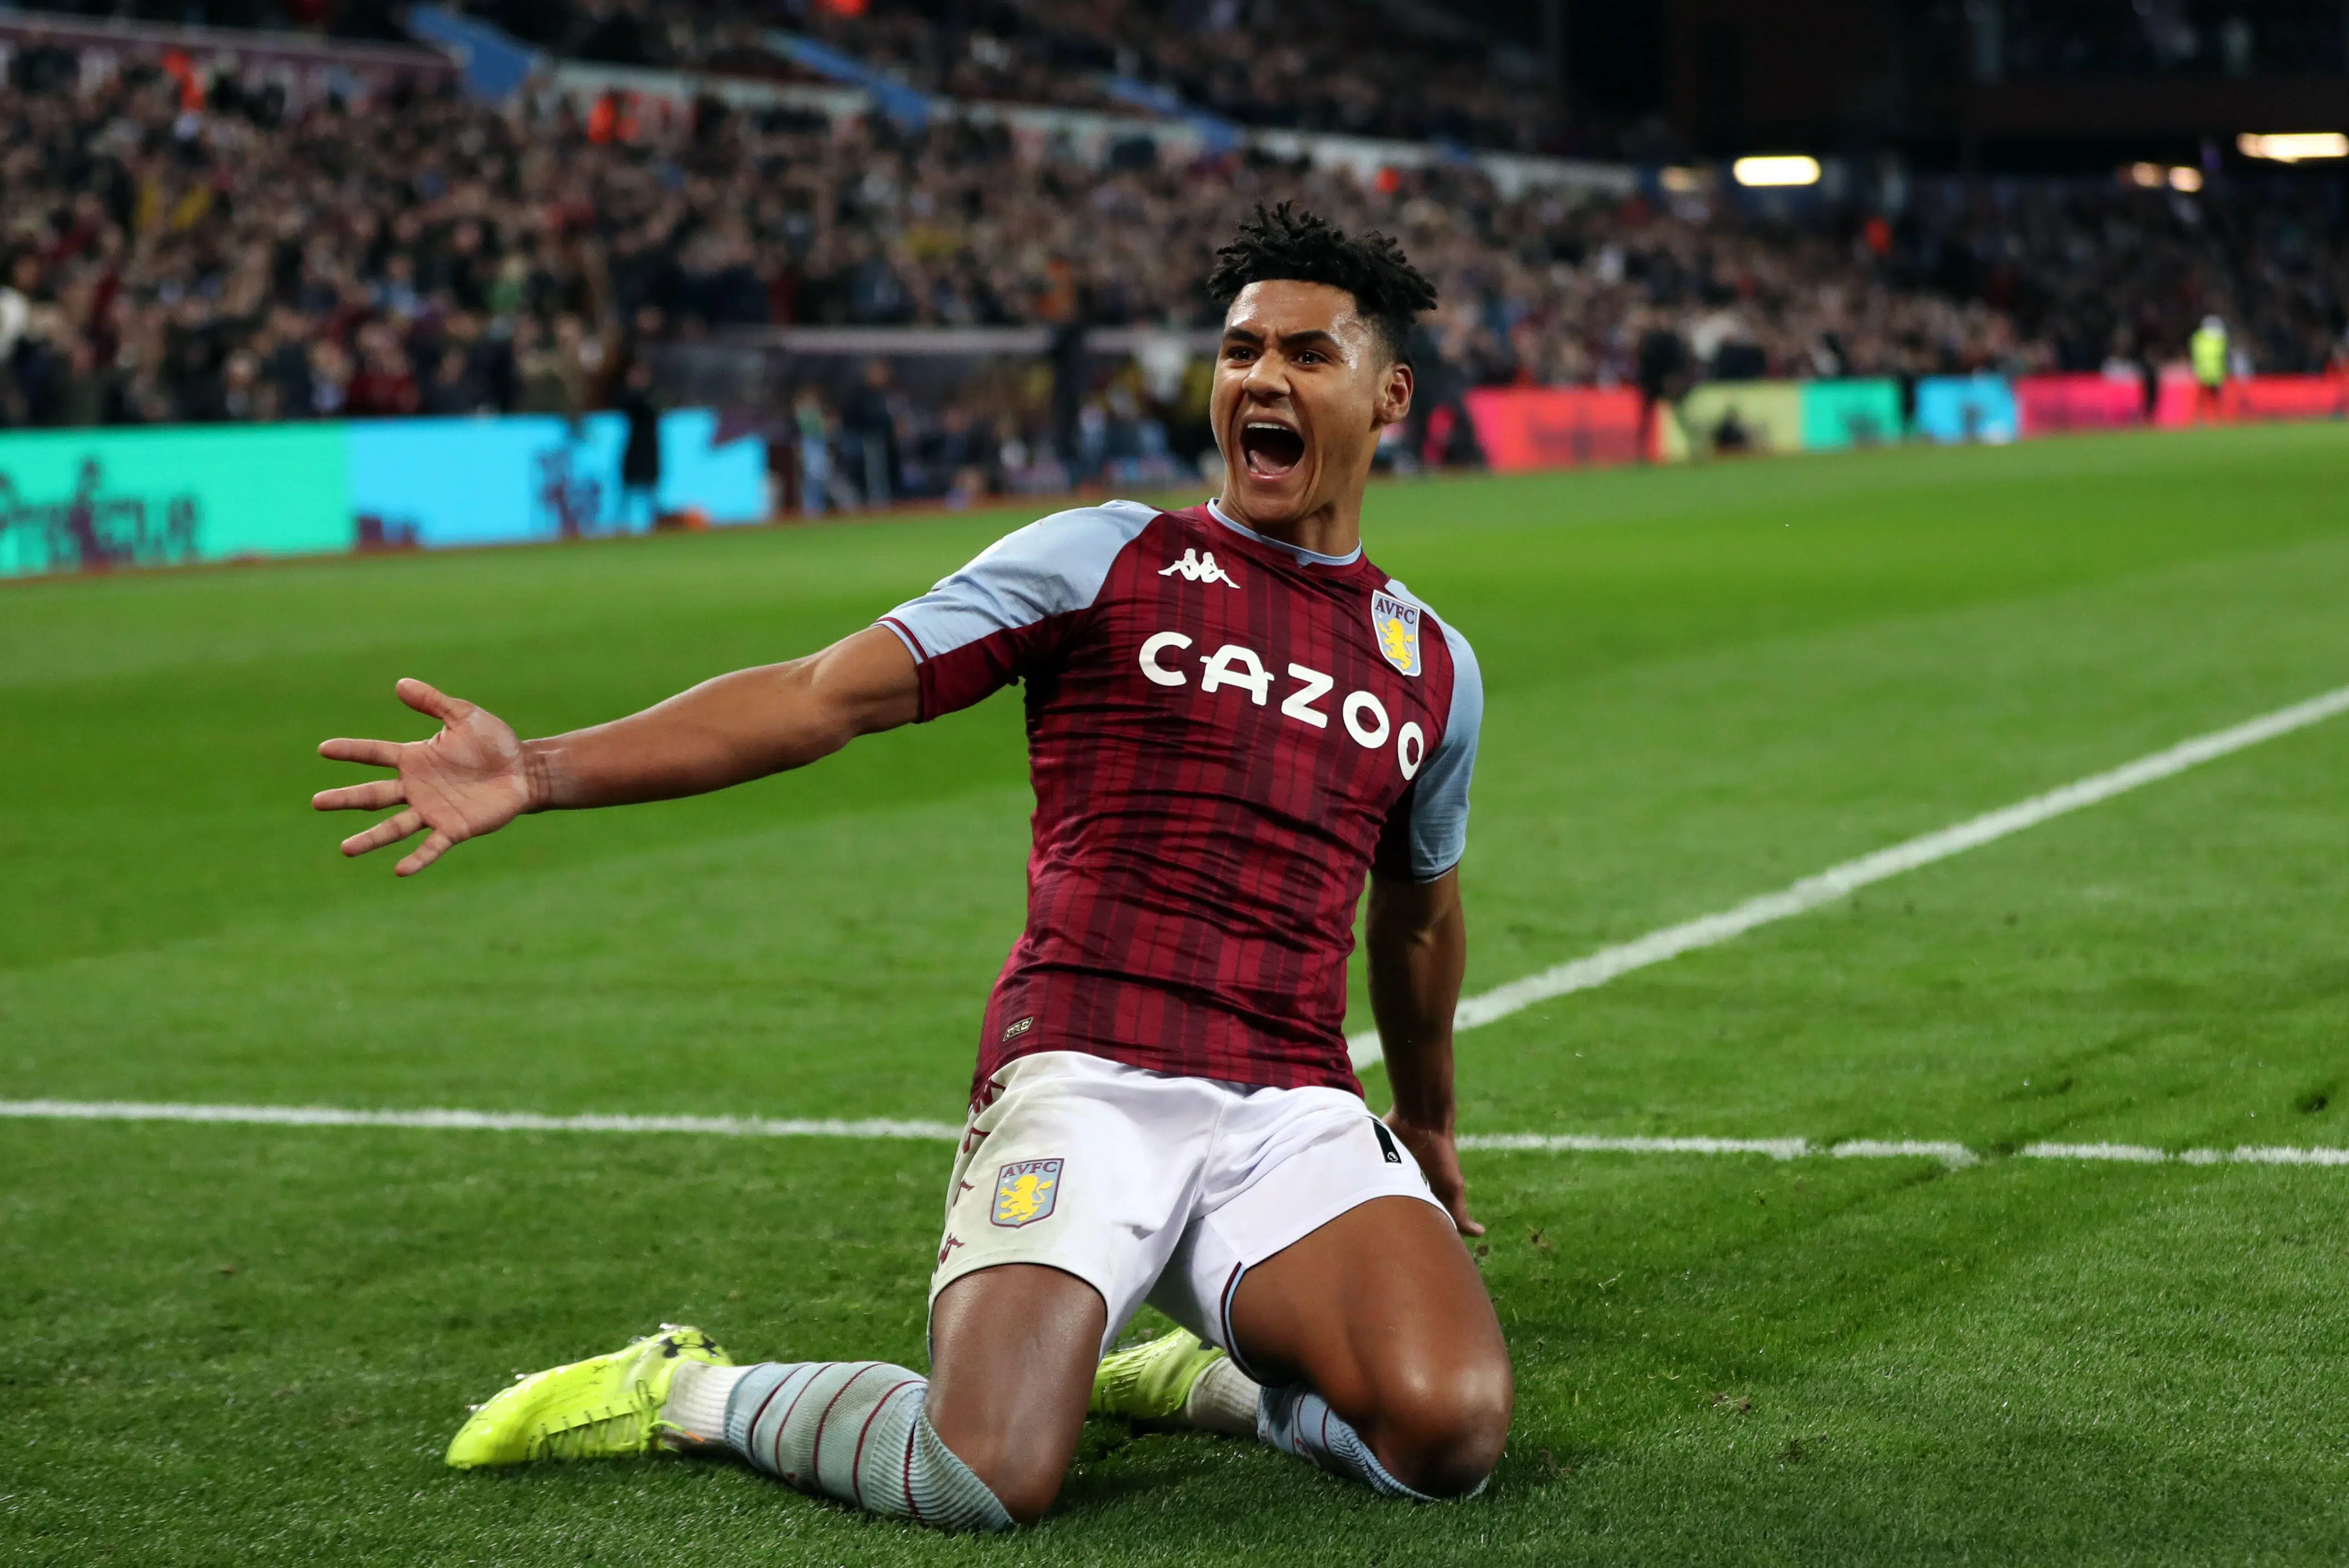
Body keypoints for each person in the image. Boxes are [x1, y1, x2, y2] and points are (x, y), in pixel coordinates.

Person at [311, 204, 1510, 1532]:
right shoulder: (1105, 556)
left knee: (1443, 1433)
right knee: (981, 1472)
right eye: (1238, 352)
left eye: (1304, 353)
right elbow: (824, 694)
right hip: (1090, 1066)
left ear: (1388, 393)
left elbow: (1416, 921)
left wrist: (1434, 1119)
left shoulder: (1432, 665)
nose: (1260, 380)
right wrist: (537, 769)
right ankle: (690, 1389)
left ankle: (1196, 1382)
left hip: (1291, 1100)